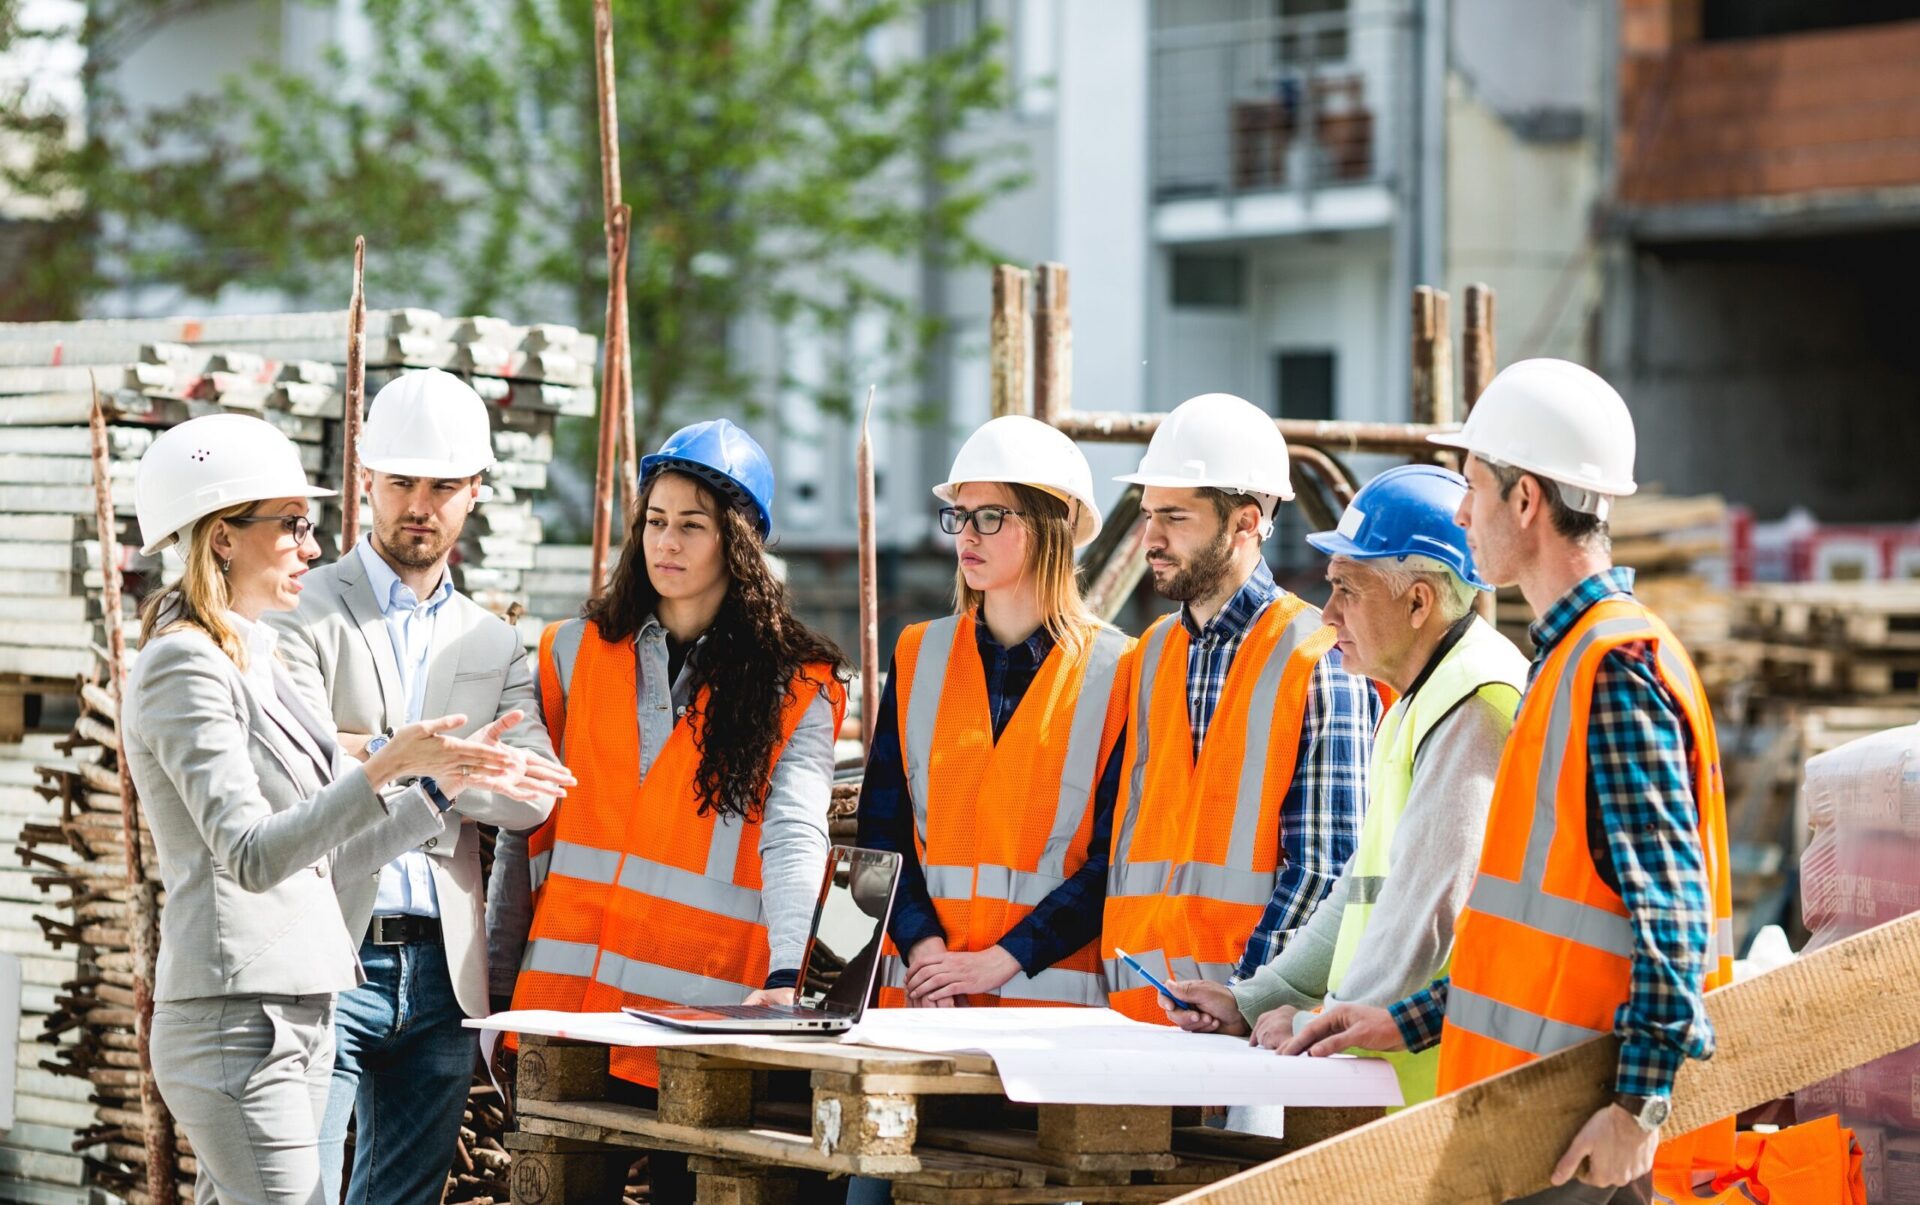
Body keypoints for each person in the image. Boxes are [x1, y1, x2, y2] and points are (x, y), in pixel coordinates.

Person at [1281, 360, 1736, 1204]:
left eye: (1473, 487)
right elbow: (1526, 934)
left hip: (1584, 1135)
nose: (1461, 511)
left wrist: (1637, 1106)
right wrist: (1402, 1020)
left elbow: (1670, 911)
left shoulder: (1614, 668)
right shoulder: (1569, 662)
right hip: (1533, 1118)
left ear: (1526, 501)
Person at [124, 413, 527, 1204]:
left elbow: (326, 854)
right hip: (238, 1020)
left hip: (299, 1008)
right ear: (221, 538)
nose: (313, 545)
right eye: (293, 525)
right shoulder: (183, 666)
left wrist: (437, 784)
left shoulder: (257, 657)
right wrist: (383, 765)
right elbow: (250, 853)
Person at [494, 419, 845, 1204]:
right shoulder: (570, 651)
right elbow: (522, 836)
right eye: (656, 520)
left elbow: (795, 833)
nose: (667, 541)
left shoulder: (798, 681)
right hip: (567, 1016)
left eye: (693, 524)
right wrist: (492, 986)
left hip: (700, 1024)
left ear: (741, 540)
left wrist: (789, 974)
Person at [266, 369, 574, 1205]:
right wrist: (441, 761)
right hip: (327, 945)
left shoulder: (495, 641)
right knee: (297, 1189)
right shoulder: (300, 609)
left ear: (474, 493)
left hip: (442, 968)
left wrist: (384, 757)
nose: (419, 504)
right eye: (401, 481)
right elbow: (286, 765)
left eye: (442, 486)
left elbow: (533, 795)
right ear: (366, 480)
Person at [1161, 465, 1527, 1115]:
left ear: (1418, 602)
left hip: (1443, 1101)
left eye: (1346, 590)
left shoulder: (1474, 700)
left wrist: (1320, 1023)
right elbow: (1360, 894)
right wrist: (1256, 998)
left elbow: (1426, 914)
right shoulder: (1419, 699)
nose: (1327, 615)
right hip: (1400, 1088)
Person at [1101, 393, 1382, 1026]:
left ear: (1246, 523)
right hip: (1138, 1017)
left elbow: (1324, 868)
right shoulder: (1150, 655)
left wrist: (1248, 998)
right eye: (1148, 515)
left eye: (1174, 517)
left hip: (1255, 1028)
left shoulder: (1319, 657)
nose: (1151, 538)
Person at [860, 415, 1133, 1009]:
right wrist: (924, 949)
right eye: (959, 515)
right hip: (921, 1006)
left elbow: (1114, 862)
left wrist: (998, 962)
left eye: (990, 516)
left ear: (1050, 525)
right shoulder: (918, 654)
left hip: (1049, 1023)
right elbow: (880, 834)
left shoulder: (1122, 673)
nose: (967, 536)